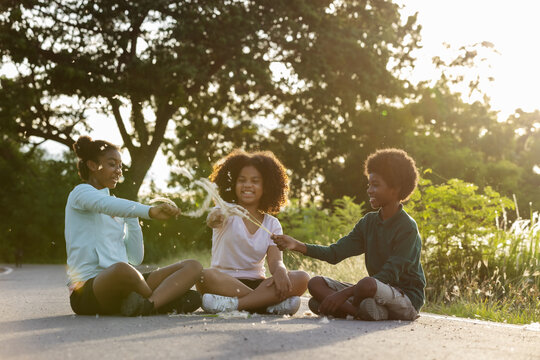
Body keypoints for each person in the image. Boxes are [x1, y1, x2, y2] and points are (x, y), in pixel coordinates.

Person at [272, 148, 425, 321]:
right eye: (369, 185)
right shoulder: (368, 222)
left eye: (375, 185)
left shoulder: (408, 228)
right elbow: (334, 253)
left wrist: (341, 296)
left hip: (405, 297)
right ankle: (364, 311)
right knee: (315, 284)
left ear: (395, 189)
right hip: (371, 293)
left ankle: (357, 309)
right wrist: (297, 245)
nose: (369, 190)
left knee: (366, 284)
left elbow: (387, 275)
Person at [65, 136, 202, 316]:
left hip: (128, 284)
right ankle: (159, 300)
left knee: (193, 266)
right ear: (92, 165)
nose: (118, 171)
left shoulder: (119, 205)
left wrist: (132, 218)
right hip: (89, 290)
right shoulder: (81, 193)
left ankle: (147, 304)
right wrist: (148, 211)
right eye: (112, 164)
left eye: (120, 166)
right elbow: (102, 204)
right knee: (122, 270)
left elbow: (135, 258)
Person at [197, 149, 309, 315]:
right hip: (224, 283)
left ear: (266, 187)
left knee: (302, 278)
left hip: (259, 284)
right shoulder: (225, 211)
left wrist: (280, 272)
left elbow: (275, 261)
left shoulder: (272, 223)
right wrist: (217, 215)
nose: (248, 185)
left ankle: (235, 305)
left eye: (255, 181)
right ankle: (267, 304)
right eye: (242, 180)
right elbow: (212, 219)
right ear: (233, 184)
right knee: (204, 276)